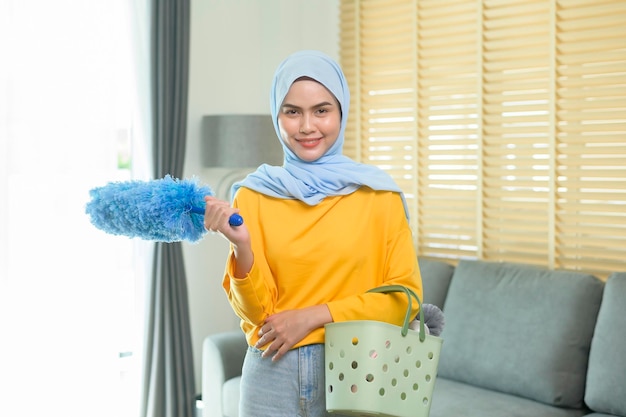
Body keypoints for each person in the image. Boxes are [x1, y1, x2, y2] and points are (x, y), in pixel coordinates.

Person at [203, 50, 422, 417]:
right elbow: (258, 315)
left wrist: (312, 316)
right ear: (277, 115)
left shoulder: (378, 196)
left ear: (342, 112)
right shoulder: (253, 195)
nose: (307, 127)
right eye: (292, 111)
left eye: (321, 110)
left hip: (359, 370)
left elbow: (406, 299)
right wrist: (241, 246)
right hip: (271, 373)